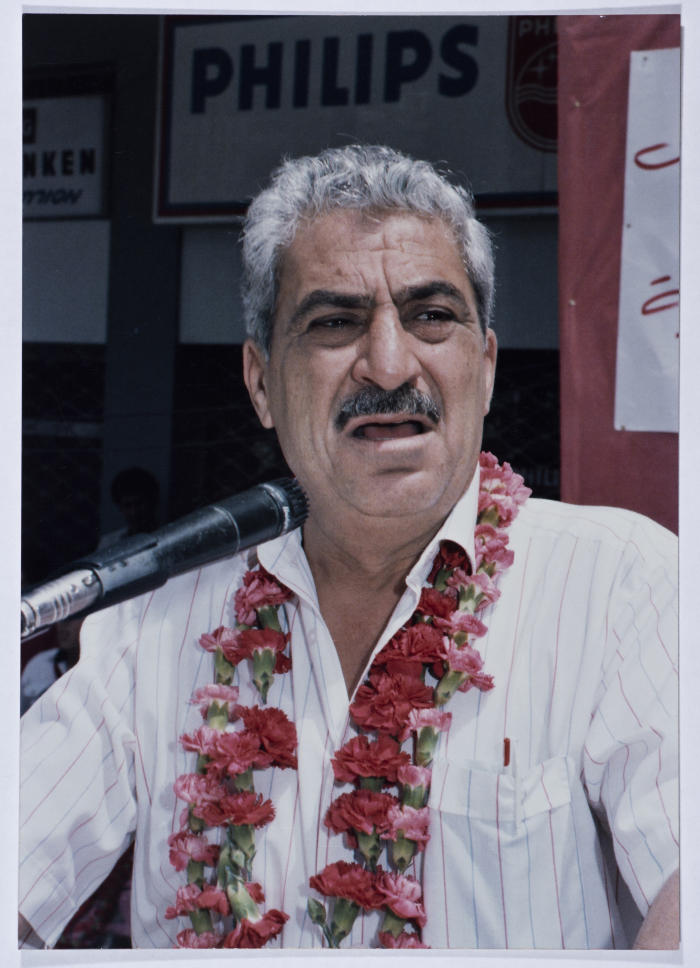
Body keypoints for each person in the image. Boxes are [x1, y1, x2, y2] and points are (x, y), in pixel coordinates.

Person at [18, 146, 678, 951]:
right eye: (334, 322)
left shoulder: (622, 586)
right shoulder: (153, 622)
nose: (390, 363)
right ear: (262, 382)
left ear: (488, 367)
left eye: (432, 315)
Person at [96, 467, 160, 550]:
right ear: (120, 507)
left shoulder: (167, 538)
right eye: (128, 505)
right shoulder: (109, 542)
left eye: (140, 503)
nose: (135, 512)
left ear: (152, 502)